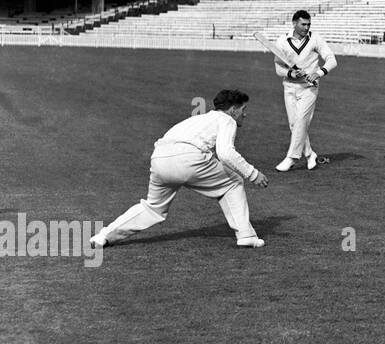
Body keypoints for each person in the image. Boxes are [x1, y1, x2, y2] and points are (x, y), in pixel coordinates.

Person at [90, 90, 269, 248]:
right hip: (188, 159)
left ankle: (104, 235)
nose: (245, 115)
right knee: (233, 181)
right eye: (243, 110)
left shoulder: (197, 119)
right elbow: (225, 153)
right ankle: (246, 236)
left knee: (153, 208)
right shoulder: (227, 120)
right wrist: (253, 174)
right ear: (233, 110)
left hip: (159, 159)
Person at [274, 10, 338, 172]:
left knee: (301, 120)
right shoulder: (282, 41)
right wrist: (291, 73)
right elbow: (278, 67)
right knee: (294, 124)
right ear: (294, 23)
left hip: (309, 88)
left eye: (309, 24)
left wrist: (318, 73)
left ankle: (292, 158)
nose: (306, 27)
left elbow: (332, 59)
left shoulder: (315, 39)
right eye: (303, 24)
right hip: (289, 87)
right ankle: (309, 154)